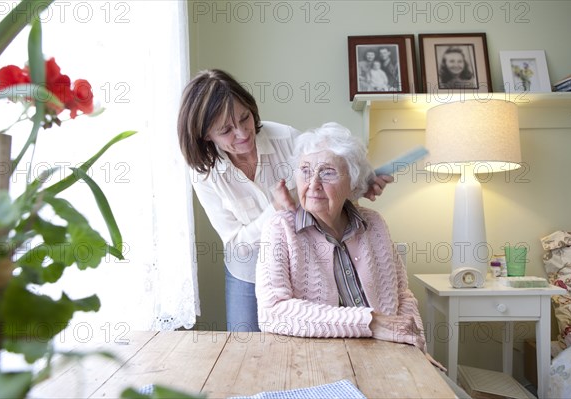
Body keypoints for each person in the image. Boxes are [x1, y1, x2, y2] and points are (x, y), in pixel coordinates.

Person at [177, 70, 392, 333]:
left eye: (244, 118)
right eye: (226, 130)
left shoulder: (285, 138)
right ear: (206, 135)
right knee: (246, 350)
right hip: (247, 270)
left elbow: (327, 181)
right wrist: (275, 210)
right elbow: (236, 244)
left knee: (303, 338)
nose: (242, 133)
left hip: (300, 260)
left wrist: (361, 185)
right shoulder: (204, 174)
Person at [256, 122, 445, 370]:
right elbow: (272, 313)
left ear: (353, 182)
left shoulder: (374, 224)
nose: (313, 184)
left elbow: (403, 297)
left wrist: (414, 345)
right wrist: (371, 322)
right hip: (316, 364)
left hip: (387, 358)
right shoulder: (280, 229)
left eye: (327, 172)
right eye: (305, 170)